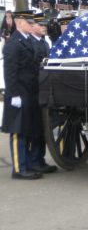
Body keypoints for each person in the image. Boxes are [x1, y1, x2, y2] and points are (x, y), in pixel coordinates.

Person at [1, 11, 43, 179]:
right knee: (19, 132)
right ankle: (19, 169)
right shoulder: (13, 44)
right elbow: (10, 72)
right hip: (19, 93)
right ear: (19, 23)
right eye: (28, 22)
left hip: (30, 91)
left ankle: (28, 164)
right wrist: (14, 94)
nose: (31, 25)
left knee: (28, 129)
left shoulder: (27, 41)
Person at [29, 13, 58, 174]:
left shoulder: (43, 43)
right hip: (35, 89)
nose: (43, 28)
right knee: (36, 129)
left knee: (42, 128)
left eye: (44, 25)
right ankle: (34, 160)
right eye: (40, 25)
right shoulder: (33, 44)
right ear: (32, 26)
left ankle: (39, 159)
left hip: (43, 88)